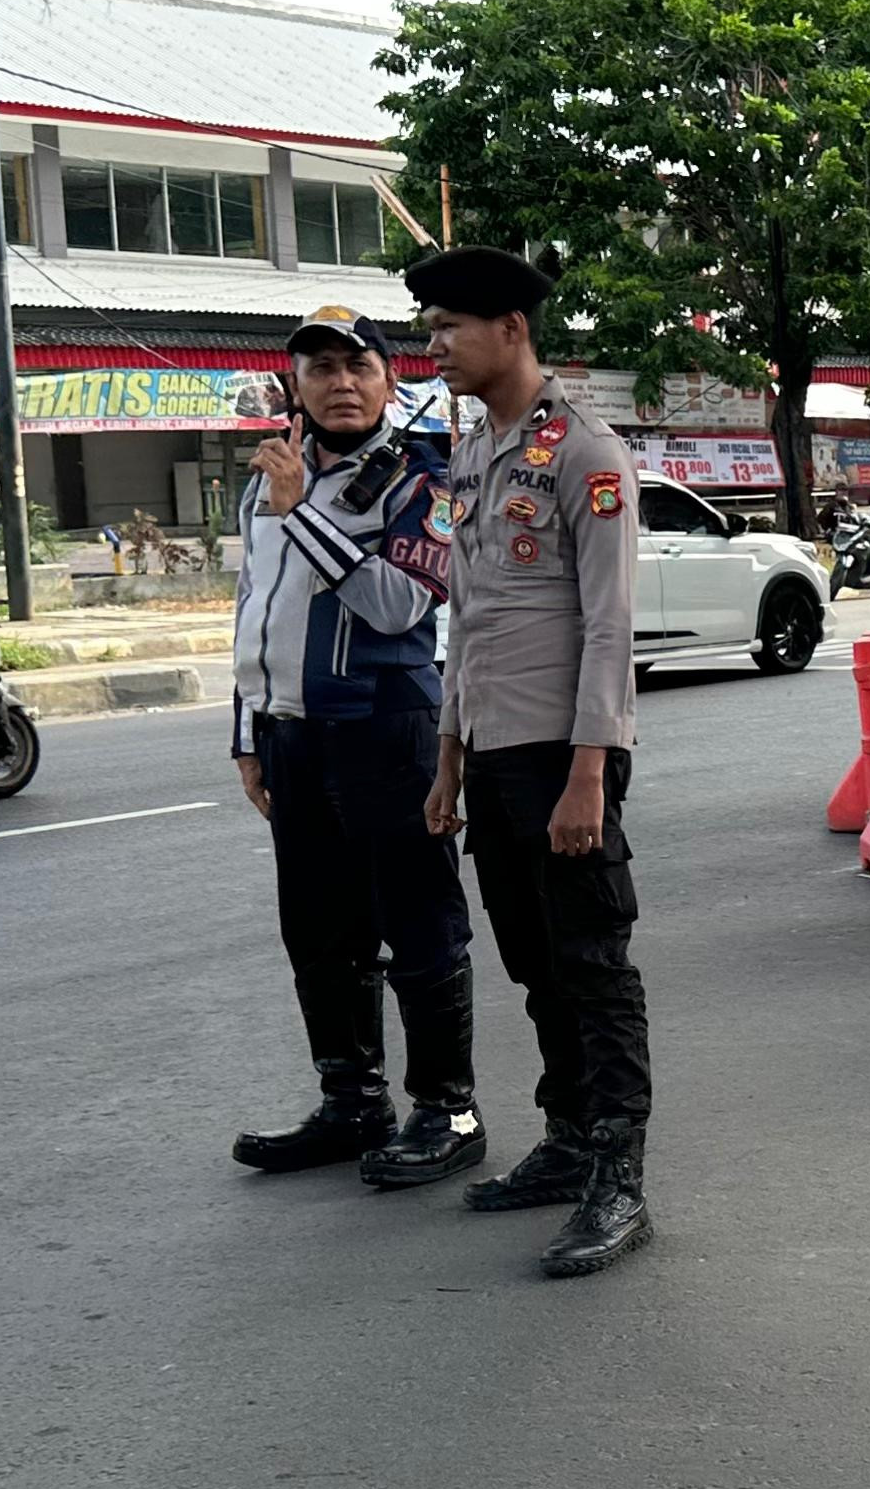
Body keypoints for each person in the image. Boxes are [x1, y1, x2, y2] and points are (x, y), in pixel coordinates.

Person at [413, 245, 658, 1280]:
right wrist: (449, 756)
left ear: (510, 328)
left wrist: (590, 775)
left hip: (568, 757)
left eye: (447, 330)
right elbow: (467, 620)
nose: (435, 349)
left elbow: (610, 628)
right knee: (533, 964)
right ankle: (566, 1140)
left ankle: (621, 1178)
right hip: (498, 756)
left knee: (593, 967)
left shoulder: (584, 455)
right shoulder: (474, 458)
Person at [228, 304, 488, 1190]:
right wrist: (247, 732)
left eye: (358, 366)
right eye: (321, 368)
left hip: (388, 731)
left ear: (387, 381)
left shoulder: (424, 482)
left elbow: (397, 608)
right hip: (292, 738)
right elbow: (253, 606)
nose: (341, 382)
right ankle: (351, 1102)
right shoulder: (265, 478)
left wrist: (302, 513)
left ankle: (447, 1108)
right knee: (318, 930)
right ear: (293, 385)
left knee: (418, 923)